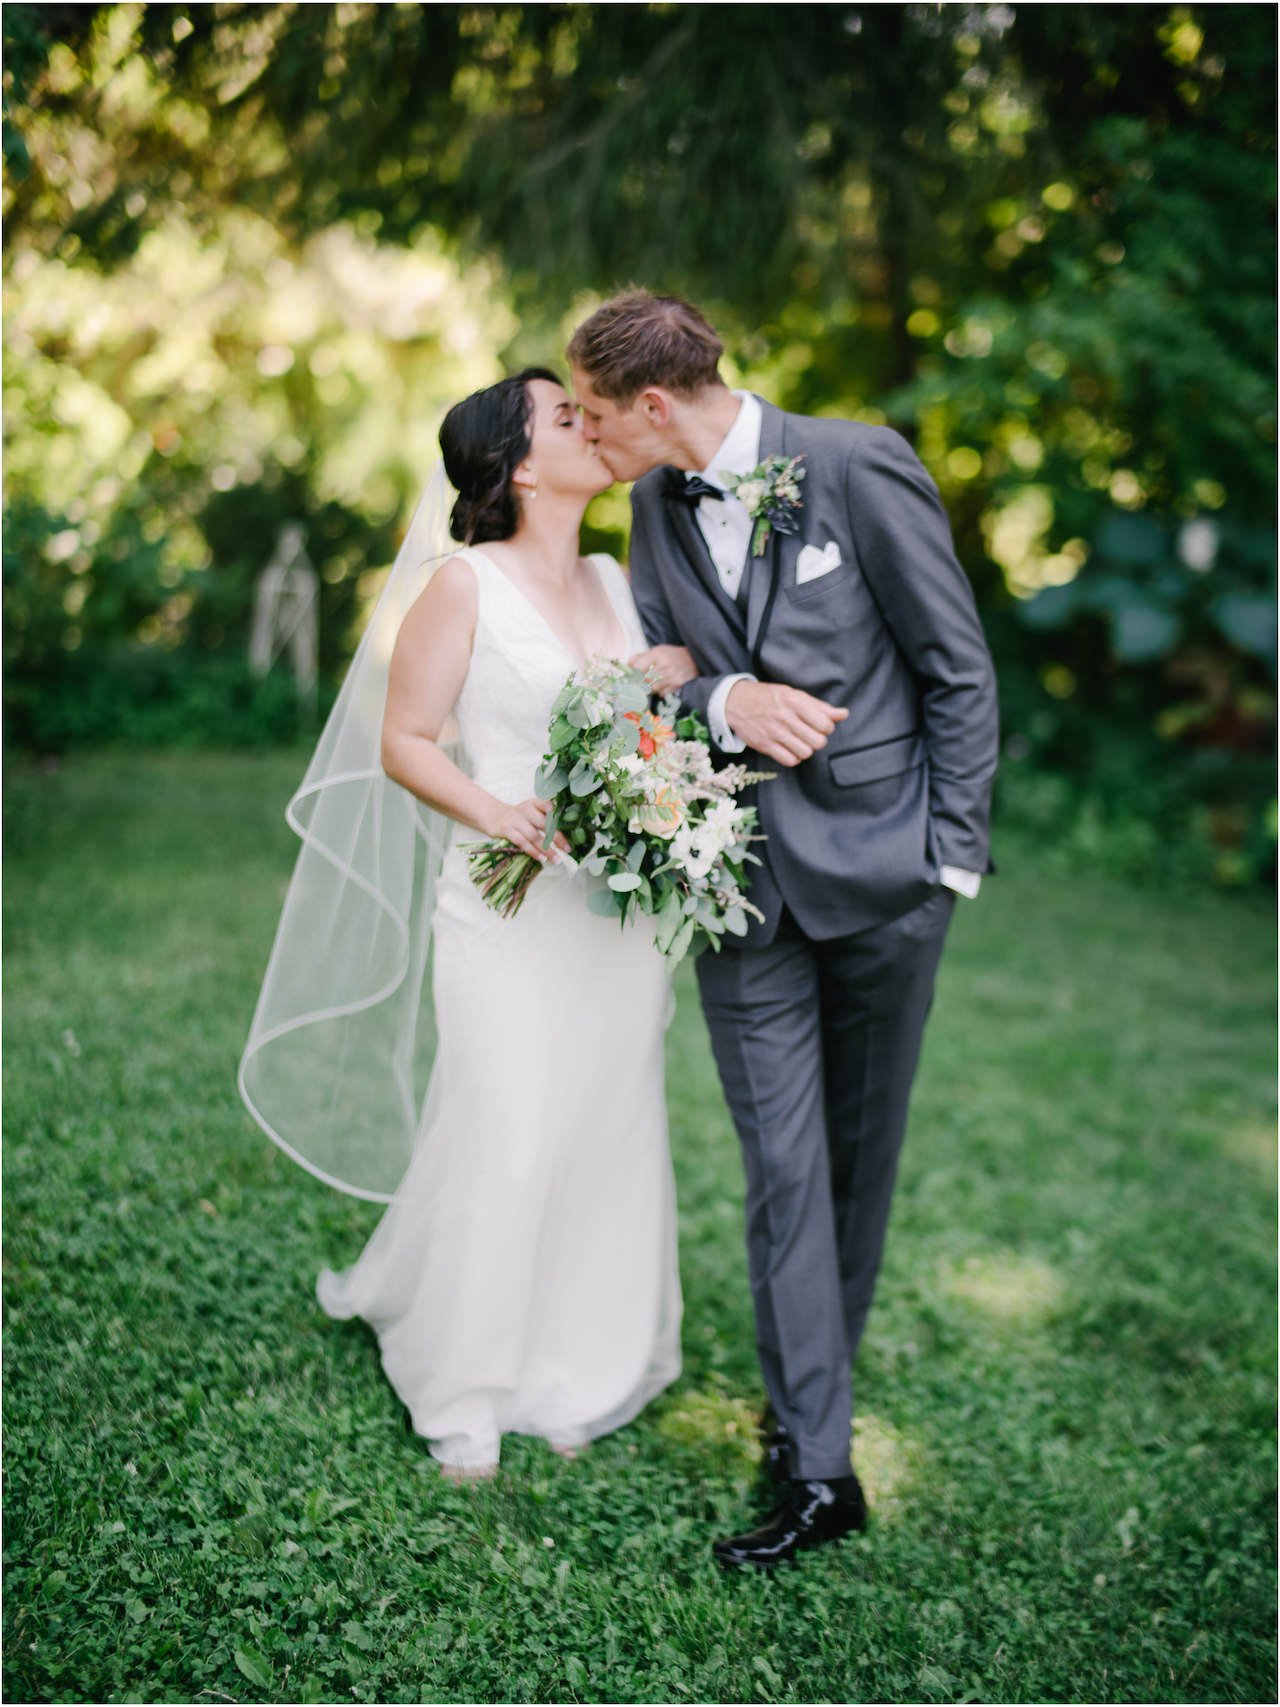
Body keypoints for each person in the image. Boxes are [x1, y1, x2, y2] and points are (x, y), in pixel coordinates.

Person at [568, 291, 999, 1568]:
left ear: (654, 406)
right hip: (738, 883)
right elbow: (660, 667)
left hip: (888, 883)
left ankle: (801, 1394)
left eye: (595, 417)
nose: (588, 441)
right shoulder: (653, 504)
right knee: (782, 1175)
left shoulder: (858, 463)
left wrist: (951, 860)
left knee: (857, 1169)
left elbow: (956, 670)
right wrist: (726, 693)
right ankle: (819, 1467)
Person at [240, 368, 692, 1481]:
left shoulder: (609, 575)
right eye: (566, 415)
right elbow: (406, 738)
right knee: (508, 1127)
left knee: (601, 1122)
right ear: (519, 463)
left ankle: (567, 1365)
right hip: (503, 902)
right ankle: (464, 1384)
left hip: (610, 914)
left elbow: (637, 727)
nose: (594, 423)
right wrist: (498, 812)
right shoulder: (463, 586)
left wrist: (665, 681)